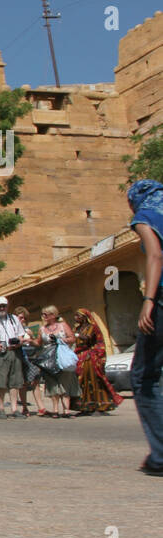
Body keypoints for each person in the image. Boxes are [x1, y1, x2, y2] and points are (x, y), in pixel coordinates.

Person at [130, 179, 163, 474]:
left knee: (143, 377)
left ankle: (161, 455)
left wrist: (149, 299)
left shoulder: (146, 215)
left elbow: (155, 254)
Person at [72, 307, 122, 414]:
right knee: (82, 381)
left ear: (84, 317)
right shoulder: (77, 328)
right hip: (80, 356)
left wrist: (76, 335)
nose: (75, 318)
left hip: (90, 357)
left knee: (93, 380)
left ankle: (98, 405)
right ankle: (84, 406)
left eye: (78, 316)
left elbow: (87, 338)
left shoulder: (91, 327)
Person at [34, 305, 77, 418]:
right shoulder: (42, 329)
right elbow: (38, 343)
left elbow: (72, 338)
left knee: (65, 383)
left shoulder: (63, 325)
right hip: (49, 360)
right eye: (43, 314)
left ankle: (66, 410)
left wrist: (60, 340)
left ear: (53, 315)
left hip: (63, 358)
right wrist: (29, 339)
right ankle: (55, 410)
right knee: (52, 384)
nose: (43, 316)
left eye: (45, 314)